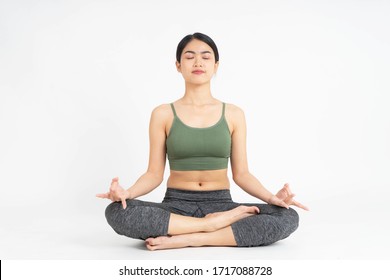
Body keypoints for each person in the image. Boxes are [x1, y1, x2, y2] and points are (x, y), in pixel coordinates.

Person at [97, 32, 308, 251]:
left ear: (216, 65)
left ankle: (192, 238)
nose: (198, 62)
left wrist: (273, 198)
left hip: (222, 204)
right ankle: (209, 226)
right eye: (189, 57)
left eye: (206, 57)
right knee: (116, 211)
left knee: (287, 216)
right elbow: (153, 174)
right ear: (178, 65)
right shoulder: (163, 114)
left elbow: (242, 174)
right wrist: (126, 194)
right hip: (176, 204)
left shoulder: (234, 114)